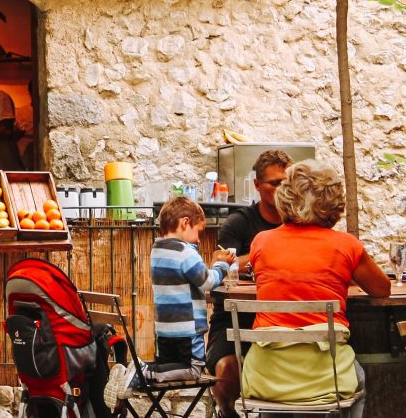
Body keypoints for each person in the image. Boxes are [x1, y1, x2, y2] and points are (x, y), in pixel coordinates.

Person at [242, 160, 390, 416]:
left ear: (284, 198)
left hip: (266, 379)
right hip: (328, 379)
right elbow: (382, 288)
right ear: (334, 203)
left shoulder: (261, 242)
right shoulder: (346, 245)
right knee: (360, 377)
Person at [205, 149, 291, 418]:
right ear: (256, 185)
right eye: (275, 183)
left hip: (285, 320)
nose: (281, 189)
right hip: (234, 322)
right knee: (226, 370)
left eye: (286, 183)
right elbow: (220, 264)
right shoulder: (239, 223)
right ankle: (226, 412)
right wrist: (264, 254)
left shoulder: (300, 223)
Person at [143, 196, 234, 383]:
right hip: (187, 329)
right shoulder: (185, 252)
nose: (199, 240)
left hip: (164, 329)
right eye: (198, 232)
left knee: (171, 367)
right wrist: (222, 266)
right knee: (193, 370)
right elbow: (207, 282)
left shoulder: (157, 250)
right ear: (185, 223)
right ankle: (143, 372)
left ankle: (143, 370)